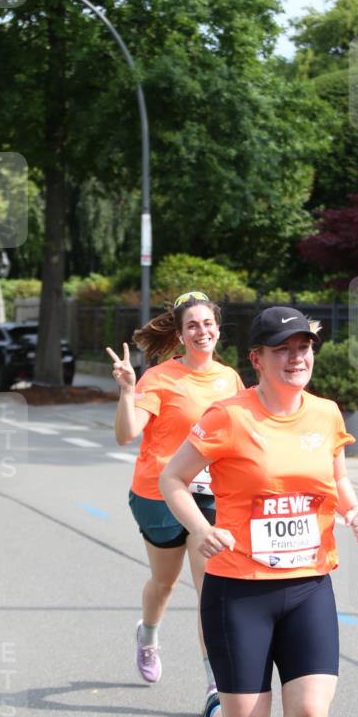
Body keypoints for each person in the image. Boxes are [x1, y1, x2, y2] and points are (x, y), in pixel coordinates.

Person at [160, 306, 358, 717]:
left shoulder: (327, 414)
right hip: (239, 593)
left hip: (308, 587)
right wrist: (197, 530)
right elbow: (173, 480)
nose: (297, 356)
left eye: (305, 346)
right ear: (256, 359)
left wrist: (352, 509)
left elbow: (336, 475)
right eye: (283, 348)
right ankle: (215, 715)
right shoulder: (227, 416)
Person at [106, 291, 243, 695]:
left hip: (210, 496)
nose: (202, 332)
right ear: (181, 336)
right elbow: (126, 434)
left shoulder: (229, 377)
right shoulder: (160, 378)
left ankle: (214, 687)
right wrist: (128, 390)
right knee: (164, 584)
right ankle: (148, 635)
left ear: (217, 329)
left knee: (209, 593)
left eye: (207, 324)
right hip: (158, 494)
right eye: (192, 326)